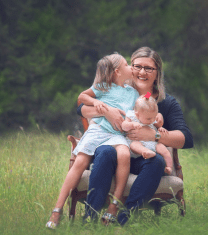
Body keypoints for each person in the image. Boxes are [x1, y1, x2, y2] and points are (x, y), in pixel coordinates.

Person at [77, 46, 194, 225]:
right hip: (115, 153)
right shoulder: (117, 91)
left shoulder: (165, 103)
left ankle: (124, 218)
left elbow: (186, 138)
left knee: (157, 161)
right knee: (106, 151)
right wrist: (107, 112)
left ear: (157, 73)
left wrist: (153, 136)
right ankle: (90, 218)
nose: (142, 72)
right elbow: (81, 108)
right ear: (130, 67)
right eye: (137, 66)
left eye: (149, 68)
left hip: (141, 158)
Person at [46, 53, 139, 229]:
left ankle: (114, 205)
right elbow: (82, 97)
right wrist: (98, 105)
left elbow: (136, 113)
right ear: (118, 72)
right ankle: (57, 210)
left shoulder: (133, 93)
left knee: (124, 154)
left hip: (118, 134)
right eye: (127, 65)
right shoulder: (103, 86)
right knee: (80, 161)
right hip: (98, 130)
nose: (131, 68)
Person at [122, 93, 173, 175]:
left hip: (152, 142)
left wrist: (160, 128)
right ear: (137, 114)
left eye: (154, 117)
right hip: (137, 142)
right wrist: (131, 125)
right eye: (149, 118)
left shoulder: (151, 118)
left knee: (164, 149)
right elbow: (123, 126)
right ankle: (146, 152)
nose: (152, 120)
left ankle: (169, 167)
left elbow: (157, 126)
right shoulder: (131, 116)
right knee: (134, 145)